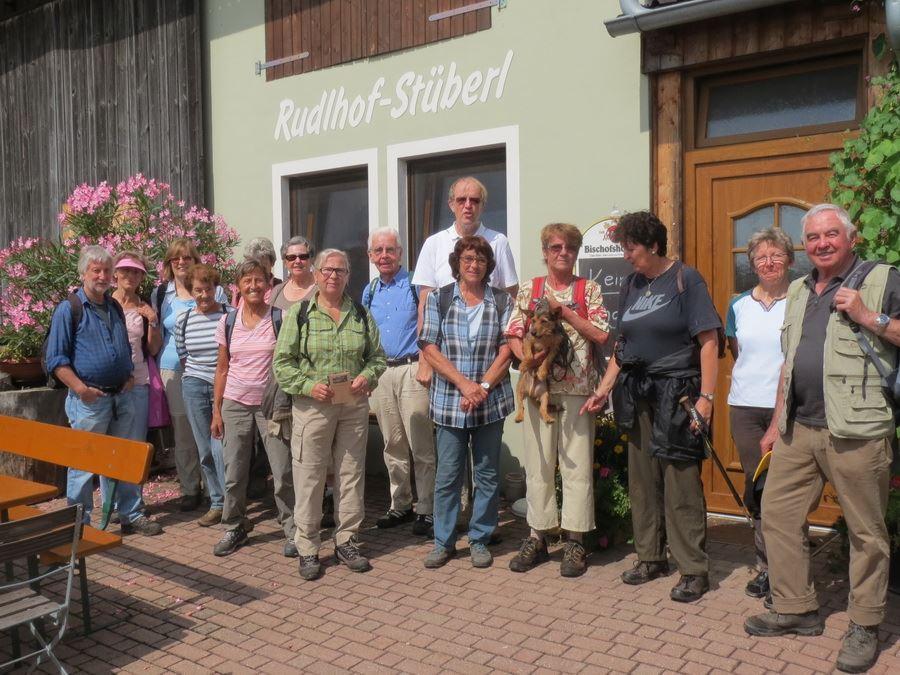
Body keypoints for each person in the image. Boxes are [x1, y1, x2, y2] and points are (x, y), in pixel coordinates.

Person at [744, 204, 899, 674]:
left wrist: (870, 316)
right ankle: (796, 608)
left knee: (866, 531)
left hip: (857, 430)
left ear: (851, 238)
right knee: (777, 512)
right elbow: (789, 360)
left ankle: (865, 624)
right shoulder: (797, 289)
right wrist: (774, 424)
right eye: (813, 237)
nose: (822, 243)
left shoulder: (884, 279)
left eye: (832, 234)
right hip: (798, 428)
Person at [582, 211, 721, 602]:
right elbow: (622, 347)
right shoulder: (631, 284)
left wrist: (705, 399)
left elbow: (708, 341)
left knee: (680, 480)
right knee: (642, 479)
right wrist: (604, 388)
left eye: (631, 248)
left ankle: (693, 568)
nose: (626, 256)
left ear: (653, 245)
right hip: (636, 393)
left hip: (677, 392)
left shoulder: (685, 279)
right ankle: (650, 557)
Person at [273, 249, 386, 580]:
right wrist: (309, 386)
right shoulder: (300, 313)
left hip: (352, 406)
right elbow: (282, 362)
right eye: (327, 270)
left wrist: (368, 375)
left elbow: (377, 357)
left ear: (348, 275)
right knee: (309, 475)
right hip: (313, 406)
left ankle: (347, 540)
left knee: (351, 472)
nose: (333, 275)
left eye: (340, 270)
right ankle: (308, 547)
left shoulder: (361, 314)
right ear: (317, 274)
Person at [506, 223, 610, 577]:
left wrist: (564, 311)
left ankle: (575, 541)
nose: (562, 252)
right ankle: (538, 535)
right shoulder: (529, 289)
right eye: (555, 247)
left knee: (577, 467)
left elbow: (600, 333)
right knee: (537, 465)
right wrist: (527, 360)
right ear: (545, 252)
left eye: (569, 247)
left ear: (576, 252)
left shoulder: (588, 289)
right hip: (538, 391)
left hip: (580, 388)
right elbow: (513, 333)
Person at [45, 246, 162, 536]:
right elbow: (56, 359)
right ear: (83, 273)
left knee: (126, 457)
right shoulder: (69, 308)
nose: (102, 275)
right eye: (95, 270)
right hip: (89, 401)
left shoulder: (112, 306)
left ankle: (130, 514)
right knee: (84, 466)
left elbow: (123, 346)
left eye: (106, 271)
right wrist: (81, 389)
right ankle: (79, 527)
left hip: (121, 395)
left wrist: (128, 377)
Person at [419, 235, 514, 570]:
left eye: (481, 260)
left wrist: (483, 386)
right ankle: (443, 542)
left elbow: (508, 348)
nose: (474, 265)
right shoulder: (439, 299)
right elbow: (429, 347)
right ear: (457, 263)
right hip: (449, 402)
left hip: (490, 401)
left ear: (489, 266)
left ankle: (479, 539)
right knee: (448, 475)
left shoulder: (501, 301)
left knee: (487, 474)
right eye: (468, 259)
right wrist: (464, 384)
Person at [210, 259, 297, 557]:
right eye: (247, 280)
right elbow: (222, 369)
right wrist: (217, 411)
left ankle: (293, 528)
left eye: (259, 280)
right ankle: (235, 525)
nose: (253, 286)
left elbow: (290, 362)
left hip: (271, 406)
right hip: (234, 403)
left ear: (269, 284)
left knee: (283, 470)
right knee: (234, 470)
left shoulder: (280, 318)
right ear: (238, 286)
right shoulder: (228, 321)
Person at [725, 229, 794, 600]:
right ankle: (767, 567)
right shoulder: (738, 305)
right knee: (758, 486)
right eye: (760, 258)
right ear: (752, 265)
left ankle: (790, 571)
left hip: (789, 408)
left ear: (790, 260)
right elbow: (739, 352)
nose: (768, 263)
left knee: (786, 490)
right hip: (746, 406)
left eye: (776, 255)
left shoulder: (801, 300)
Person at [363, 227, 436, 536]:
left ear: (400, 253)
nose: (384, 256)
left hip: (411, 369)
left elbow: (431, 325)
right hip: (382, 373)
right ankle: (401, 505)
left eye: (390, 250)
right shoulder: (370, 291)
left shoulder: (414, 285)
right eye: (378, 251)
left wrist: (427, 363)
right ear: (370, 256)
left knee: (421, 443)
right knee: (392, 443)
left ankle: (428, 509)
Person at [412, 176, 518, 386]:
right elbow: (424, 305)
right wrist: (424, 362)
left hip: (490, 359)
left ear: (482, 206)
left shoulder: (498, 242)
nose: (468, 206)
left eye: (474, 200)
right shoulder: (434, 244)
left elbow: (513, 300)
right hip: (445, 360)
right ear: (451, 204)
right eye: (461, 200)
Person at [153, 238, 227, 511]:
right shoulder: (162, 294)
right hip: (174, 369)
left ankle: (215, 492)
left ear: (196, 261)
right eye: (175, 259)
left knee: (214, 431)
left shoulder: (215, 292)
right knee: (185, 433)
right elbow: (156, 334)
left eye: (187, 257)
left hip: (213, 371)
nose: (181, 263)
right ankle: (189, 488)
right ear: (169, 264)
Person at [110, 251, 163, 524]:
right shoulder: (105, 305)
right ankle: (118, 506)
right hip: (110, 388)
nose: (129, 276)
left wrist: (153, 321)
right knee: (112, 448)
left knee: (135, 447)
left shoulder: (144, 308)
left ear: (142, 277)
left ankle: (132, 505)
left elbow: (153, 349)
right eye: (125, 271)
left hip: (139, 384)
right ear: (115, 274)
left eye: (135, 272)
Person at [174, 264, 229, 528]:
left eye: (208, 289)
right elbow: (184, 356)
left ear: (216, 289)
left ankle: (231, 503)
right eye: (198, 290)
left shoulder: (230, 315)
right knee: (205, 449)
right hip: (194, 385)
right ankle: (217, 503)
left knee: (222, 448)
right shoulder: (183, 320)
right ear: (191, 291)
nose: (204, 295)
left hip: (225, 386)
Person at [270, 236, 317, 310]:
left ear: (311, 260)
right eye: (291, 257)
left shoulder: (321, 289)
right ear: (285, 263)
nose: (297, 261)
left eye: (303, 256)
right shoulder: (277, 291)